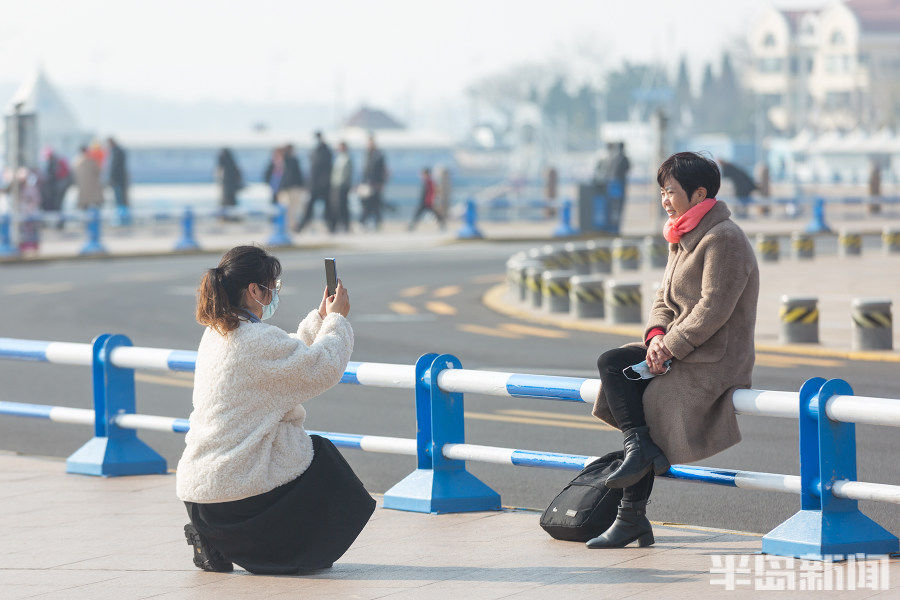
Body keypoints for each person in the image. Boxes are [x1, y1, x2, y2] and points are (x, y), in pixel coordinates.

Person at [587, 152, 759, 549]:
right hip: (677, 347)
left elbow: (714, 307)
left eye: (671, 192)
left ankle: (630, 517)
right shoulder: (681, 235)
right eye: (662, 192)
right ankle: (639, 449)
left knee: (652, 401)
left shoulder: (724, 238)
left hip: (715, 354)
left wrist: (671, 347)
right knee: (612, 364)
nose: (664, 199)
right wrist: (654, 340)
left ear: (700, 193)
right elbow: (663, 299)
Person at [177, 245, 374, 574]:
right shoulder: (255, 341)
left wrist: (322, 318)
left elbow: (287, 355)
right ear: (254, 290)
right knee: (322, 459)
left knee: (292, 454)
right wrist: (337, 320)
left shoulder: (219, 332)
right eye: (273, 287)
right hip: (235, 494)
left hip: (201, 495)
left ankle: (215, 540)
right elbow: (319, 367)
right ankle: (292, 553)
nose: (274, 294)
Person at [296, 131, 332, 232]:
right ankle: (302, 226)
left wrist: (323, 182)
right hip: (315, 185)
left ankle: (331, 226)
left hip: (322, 185)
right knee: (309, 207)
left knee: (326, 208)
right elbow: (313, 170)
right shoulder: (316, 151)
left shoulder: (325, 151)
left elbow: (325, 169)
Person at [359, 134, 387, 230]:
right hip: (367, 183)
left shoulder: (379, 155)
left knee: (376, 204)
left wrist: (381, 183)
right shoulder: (366, 155)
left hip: (376, 184)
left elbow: (383, 170)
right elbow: (365, 171)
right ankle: (364, 222)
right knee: (366, 203)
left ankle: (376, 223)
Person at [329, 141, 353, 233]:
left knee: (343, 206)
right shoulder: (337, 158)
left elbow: (348, 173)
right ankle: (335, 225)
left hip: (343, 186)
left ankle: (345, 225)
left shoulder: (347, 158)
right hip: (335, 185)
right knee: (335, 206)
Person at [73, 145, 104, 211]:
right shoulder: (91, 161)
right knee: (95, 208)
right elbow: (98, 171)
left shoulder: (76, 162)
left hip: (83, 190)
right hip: (93, 191)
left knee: (84, 210)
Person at [215, 148, 243, 219]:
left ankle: (226, 217)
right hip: (230, 190)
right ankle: (228, 217)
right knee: (230, 205)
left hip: (228, 190)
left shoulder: (224, 166)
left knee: (228, 204)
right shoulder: (232, 164)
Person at [107, 137, 129, 210]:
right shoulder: (118, 151)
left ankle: (122, 217)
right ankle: (123, 214)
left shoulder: (116, 153)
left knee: (120, 199)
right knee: (121, 199)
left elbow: (115, 167)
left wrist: (111, 179)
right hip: (120, 180)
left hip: (117, 180)